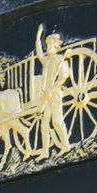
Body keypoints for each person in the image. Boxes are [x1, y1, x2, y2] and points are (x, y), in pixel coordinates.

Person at [34, 25, 71, 159]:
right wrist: (38, 37)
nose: (47, 47)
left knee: (56, 121)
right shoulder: (47, 61)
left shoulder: (59, 59)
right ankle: (45, 152)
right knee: (44, 125)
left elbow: (64, 76)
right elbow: (39, 54)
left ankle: (66, 146)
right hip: (47, 95)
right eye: (47, 44)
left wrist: (53, 88)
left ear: (56, 46)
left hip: (54, 94)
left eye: (50, 45)